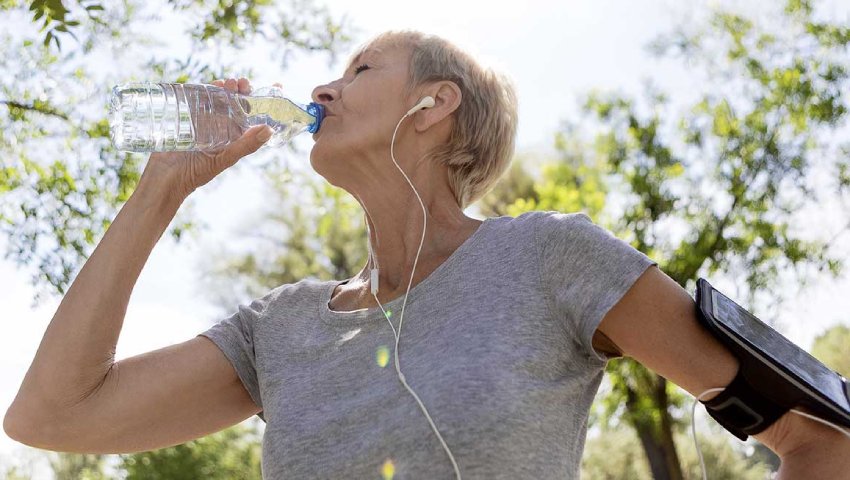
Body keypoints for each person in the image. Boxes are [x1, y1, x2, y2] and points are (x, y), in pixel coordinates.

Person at [4, 29, 848, 479]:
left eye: (362, 67)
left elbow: (821, 442)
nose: (323, 90)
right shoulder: (280, 327)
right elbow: (51, 418)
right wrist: (159, 192)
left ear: (434, 104)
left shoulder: (550, 258)